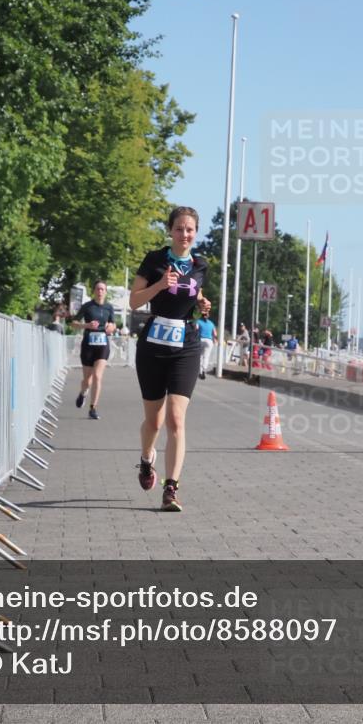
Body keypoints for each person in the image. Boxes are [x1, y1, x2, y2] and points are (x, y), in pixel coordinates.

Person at [129, 206, 210, 512]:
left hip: (186, 344)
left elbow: (193, 293)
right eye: (179, 229)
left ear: (195, 233)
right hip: (153, 344)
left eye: (190, 229)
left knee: (176, 418)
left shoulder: (201, 265)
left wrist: (202, 303)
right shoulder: (154, 260)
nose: (185, 234)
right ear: (170, 231)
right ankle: (147, 459)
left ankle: (171, 489)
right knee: (155, 420)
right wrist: (160, 285)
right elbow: (134, 300)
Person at [71, 281, 117, 420]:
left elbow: (113, 323)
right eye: (98, 289)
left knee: (97, 376)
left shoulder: (109, 307)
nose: (100, 291)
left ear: (106, 292)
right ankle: (83, 393)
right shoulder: (87, 306)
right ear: (94, 291)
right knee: (87, 380)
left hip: (103, 344)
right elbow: (73, 323)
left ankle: (93, 408)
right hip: (88, 345)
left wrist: (111, 328)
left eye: (103, 289)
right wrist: (87, 325)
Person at [196, 309, 216, 380]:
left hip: (201, 339)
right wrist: (215, 340)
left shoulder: (198, 321)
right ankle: (204, 370)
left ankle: (200, 372)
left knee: (200, 356)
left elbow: (196, 329)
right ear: (208, 316)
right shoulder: (211, 323)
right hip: (209, 341)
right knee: (206, 356)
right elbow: (215, 334)